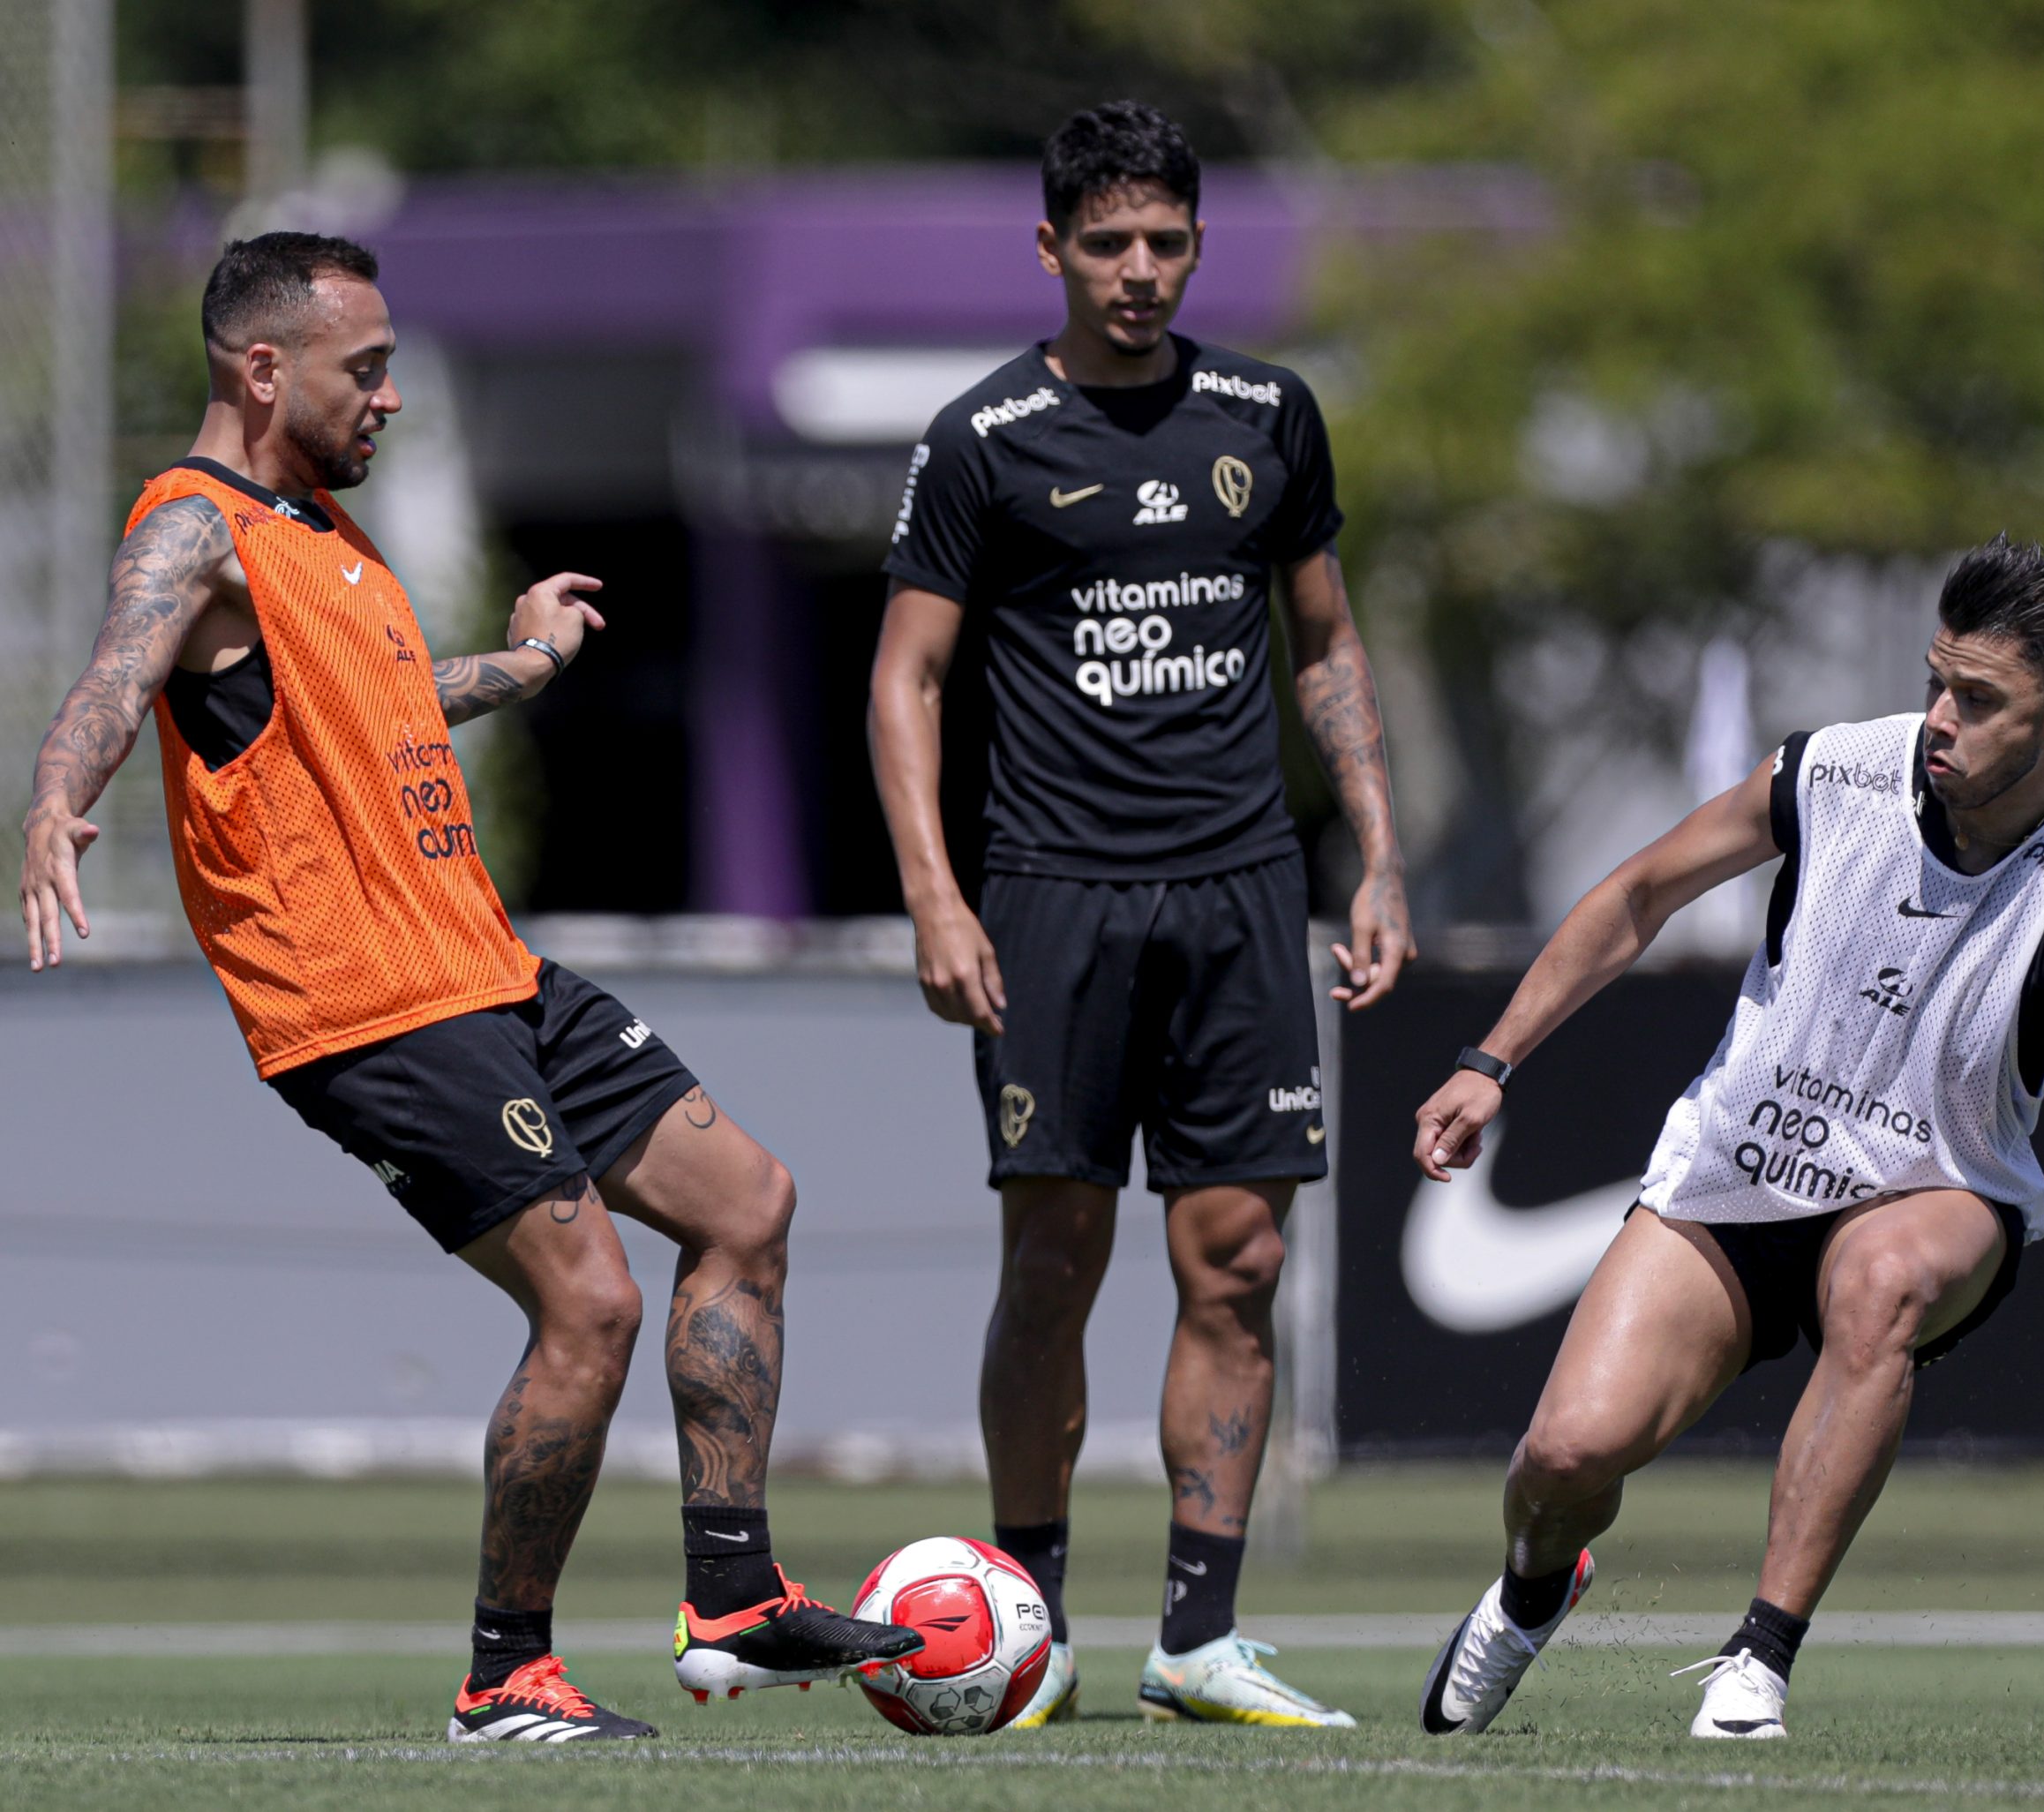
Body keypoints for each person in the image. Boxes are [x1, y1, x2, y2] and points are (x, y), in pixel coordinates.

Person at [16, 232, 917, 1742]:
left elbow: (379, 703)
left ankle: (736, 1600)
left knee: (748, 1202)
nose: (386, 397)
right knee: (593, 1305)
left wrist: (524, 665)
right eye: (362, 369)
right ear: (261, 371)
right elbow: (117, 672)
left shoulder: (325, 543)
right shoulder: (195, 526)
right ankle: (507, 1678)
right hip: (366, 1004)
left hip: (484, 964)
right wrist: (54, 798)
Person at [1410, 538, 2044, 1741]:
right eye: (1939, 680)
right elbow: (1640, 893)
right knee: (1567, 1454)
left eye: (1979, 699)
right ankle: (1533, 1588)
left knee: (1882, 1281)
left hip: (1936, 1195)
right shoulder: (1837, 770)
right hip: (1736, 1177)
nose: (1940, 718)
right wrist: (1491, 1059)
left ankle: (1757, 1656)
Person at [870, 102, 1412, 1729]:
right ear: (1050, 249)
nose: (1139, 272)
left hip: (1244, 891)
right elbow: (907, 675)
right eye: (1106, 243)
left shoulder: (1269, 412)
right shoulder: (980, 439)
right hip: (1051, 898)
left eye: (1166, 241)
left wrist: (1375, 853)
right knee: (1056, 1258)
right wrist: (934, 896)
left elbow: (1326, 644)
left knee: (1235, 1257)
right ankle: (1024, 1627)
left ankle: (1199, 1637)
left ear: (1197, 243)